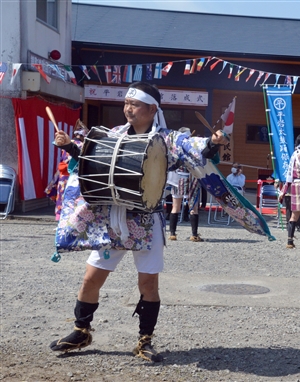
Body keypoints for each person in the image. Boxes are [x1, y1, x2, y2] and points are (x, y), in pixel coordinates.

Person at [49, 82, 227, 361]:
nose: (128, 109)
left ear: (152, 109)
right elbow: (89, 159)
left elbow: (194, 148)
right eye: (126, 103)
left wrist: (212, 143)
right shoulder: (115, 134)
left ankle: (145, 340)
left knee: (148, 285)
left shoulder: (166, 139)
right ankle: (81, 330)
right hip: (114, 217)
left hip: (145, 220)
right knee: (90, 279)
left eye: (135, 104)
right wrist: (70, 146)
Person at [45, 126, 88, 220]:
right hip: (73, 175)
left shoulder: (69, 143)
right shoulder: (83, 145)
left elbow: (56, 143)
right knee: (71, 198)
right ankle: (68, 217)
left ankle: (60, 216)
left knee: (61, 196)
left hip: (63, 175)